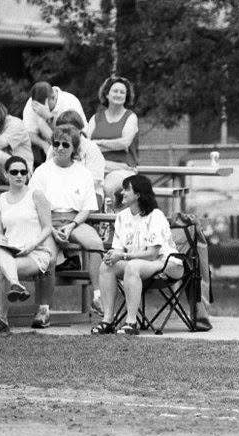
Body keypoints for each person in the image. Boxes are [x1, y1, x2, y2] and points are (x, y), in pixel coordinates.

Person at [29, 125, 104, 326]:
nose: (60, 148)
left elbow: (87, 208)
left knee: (96, 243)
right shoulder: (42, 171)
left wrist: (71, 226)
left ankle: (97, 296)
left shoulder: (83, 173)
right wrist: (50, 228)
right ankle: (44, 310)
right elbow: (34, 205)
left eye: (65, 144)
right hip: (47, 220)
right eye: (56, 143)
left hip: (74, 220)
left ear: (74, 149)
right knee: (48, 257)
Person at [92, 174, 183, 335]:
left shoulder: (156, 215)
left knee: (133, 266)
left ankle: (131, 322)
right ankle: (108, 320)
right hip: (141, 263)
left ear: (138, 194)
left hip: (167, 263)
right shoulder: (121, 217)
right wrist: (113, 255)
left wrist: (124, 257)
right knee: (106, 265)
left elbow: (152, 253)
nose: (123, 193)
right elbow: (119, 250)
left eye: (127, 189)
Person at [0, 156, 54, 334]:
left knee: (5, 268)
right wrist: (1, 240)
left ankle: (2, 318)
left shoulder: (36, 195)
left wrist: (32, 244)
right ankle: (15, 284)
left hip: (35, 252)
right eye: (14, 172)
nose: (19, 175)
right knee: (0, 252)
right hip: (11, 251)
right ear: (6, 174)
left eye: (23, 172)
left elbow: (48, 228)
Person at [85, 76, 139, 205]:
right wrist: (113, 144)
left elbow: (124, 143)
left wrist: (99, 143)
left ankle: (109, 220)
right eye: (115, 91)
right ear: (107, 94)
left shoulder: (130, 117)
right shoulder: (95, 118)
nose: (118, 94)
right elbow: (86, 144)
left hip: (122, 169)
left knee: (107, 187)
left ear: (126, 97)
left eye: (122, 92)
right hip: (97, 167)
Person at [45, 110, 106, 206]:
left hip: (90, 194)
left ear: (79, 129)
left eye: (70, 129)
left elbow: (96, 179)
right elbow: (48, 173)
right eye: (63, 129)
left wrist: (72, 188)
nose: (66, 132)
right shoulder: (54, 148)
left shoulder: (91, 148)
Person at [22, 82, 86, 169]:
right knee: (39, 124)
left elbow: (73, 132)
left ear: (53, 98)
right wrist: (44, 145)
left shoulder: (70, 101)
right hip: (47, 147)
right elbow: (29, 132)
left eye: (45, 105)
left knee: (42, 122)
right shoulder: (33, 103)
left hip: (76, 144)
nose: (40, 108)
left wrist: (49, 117)